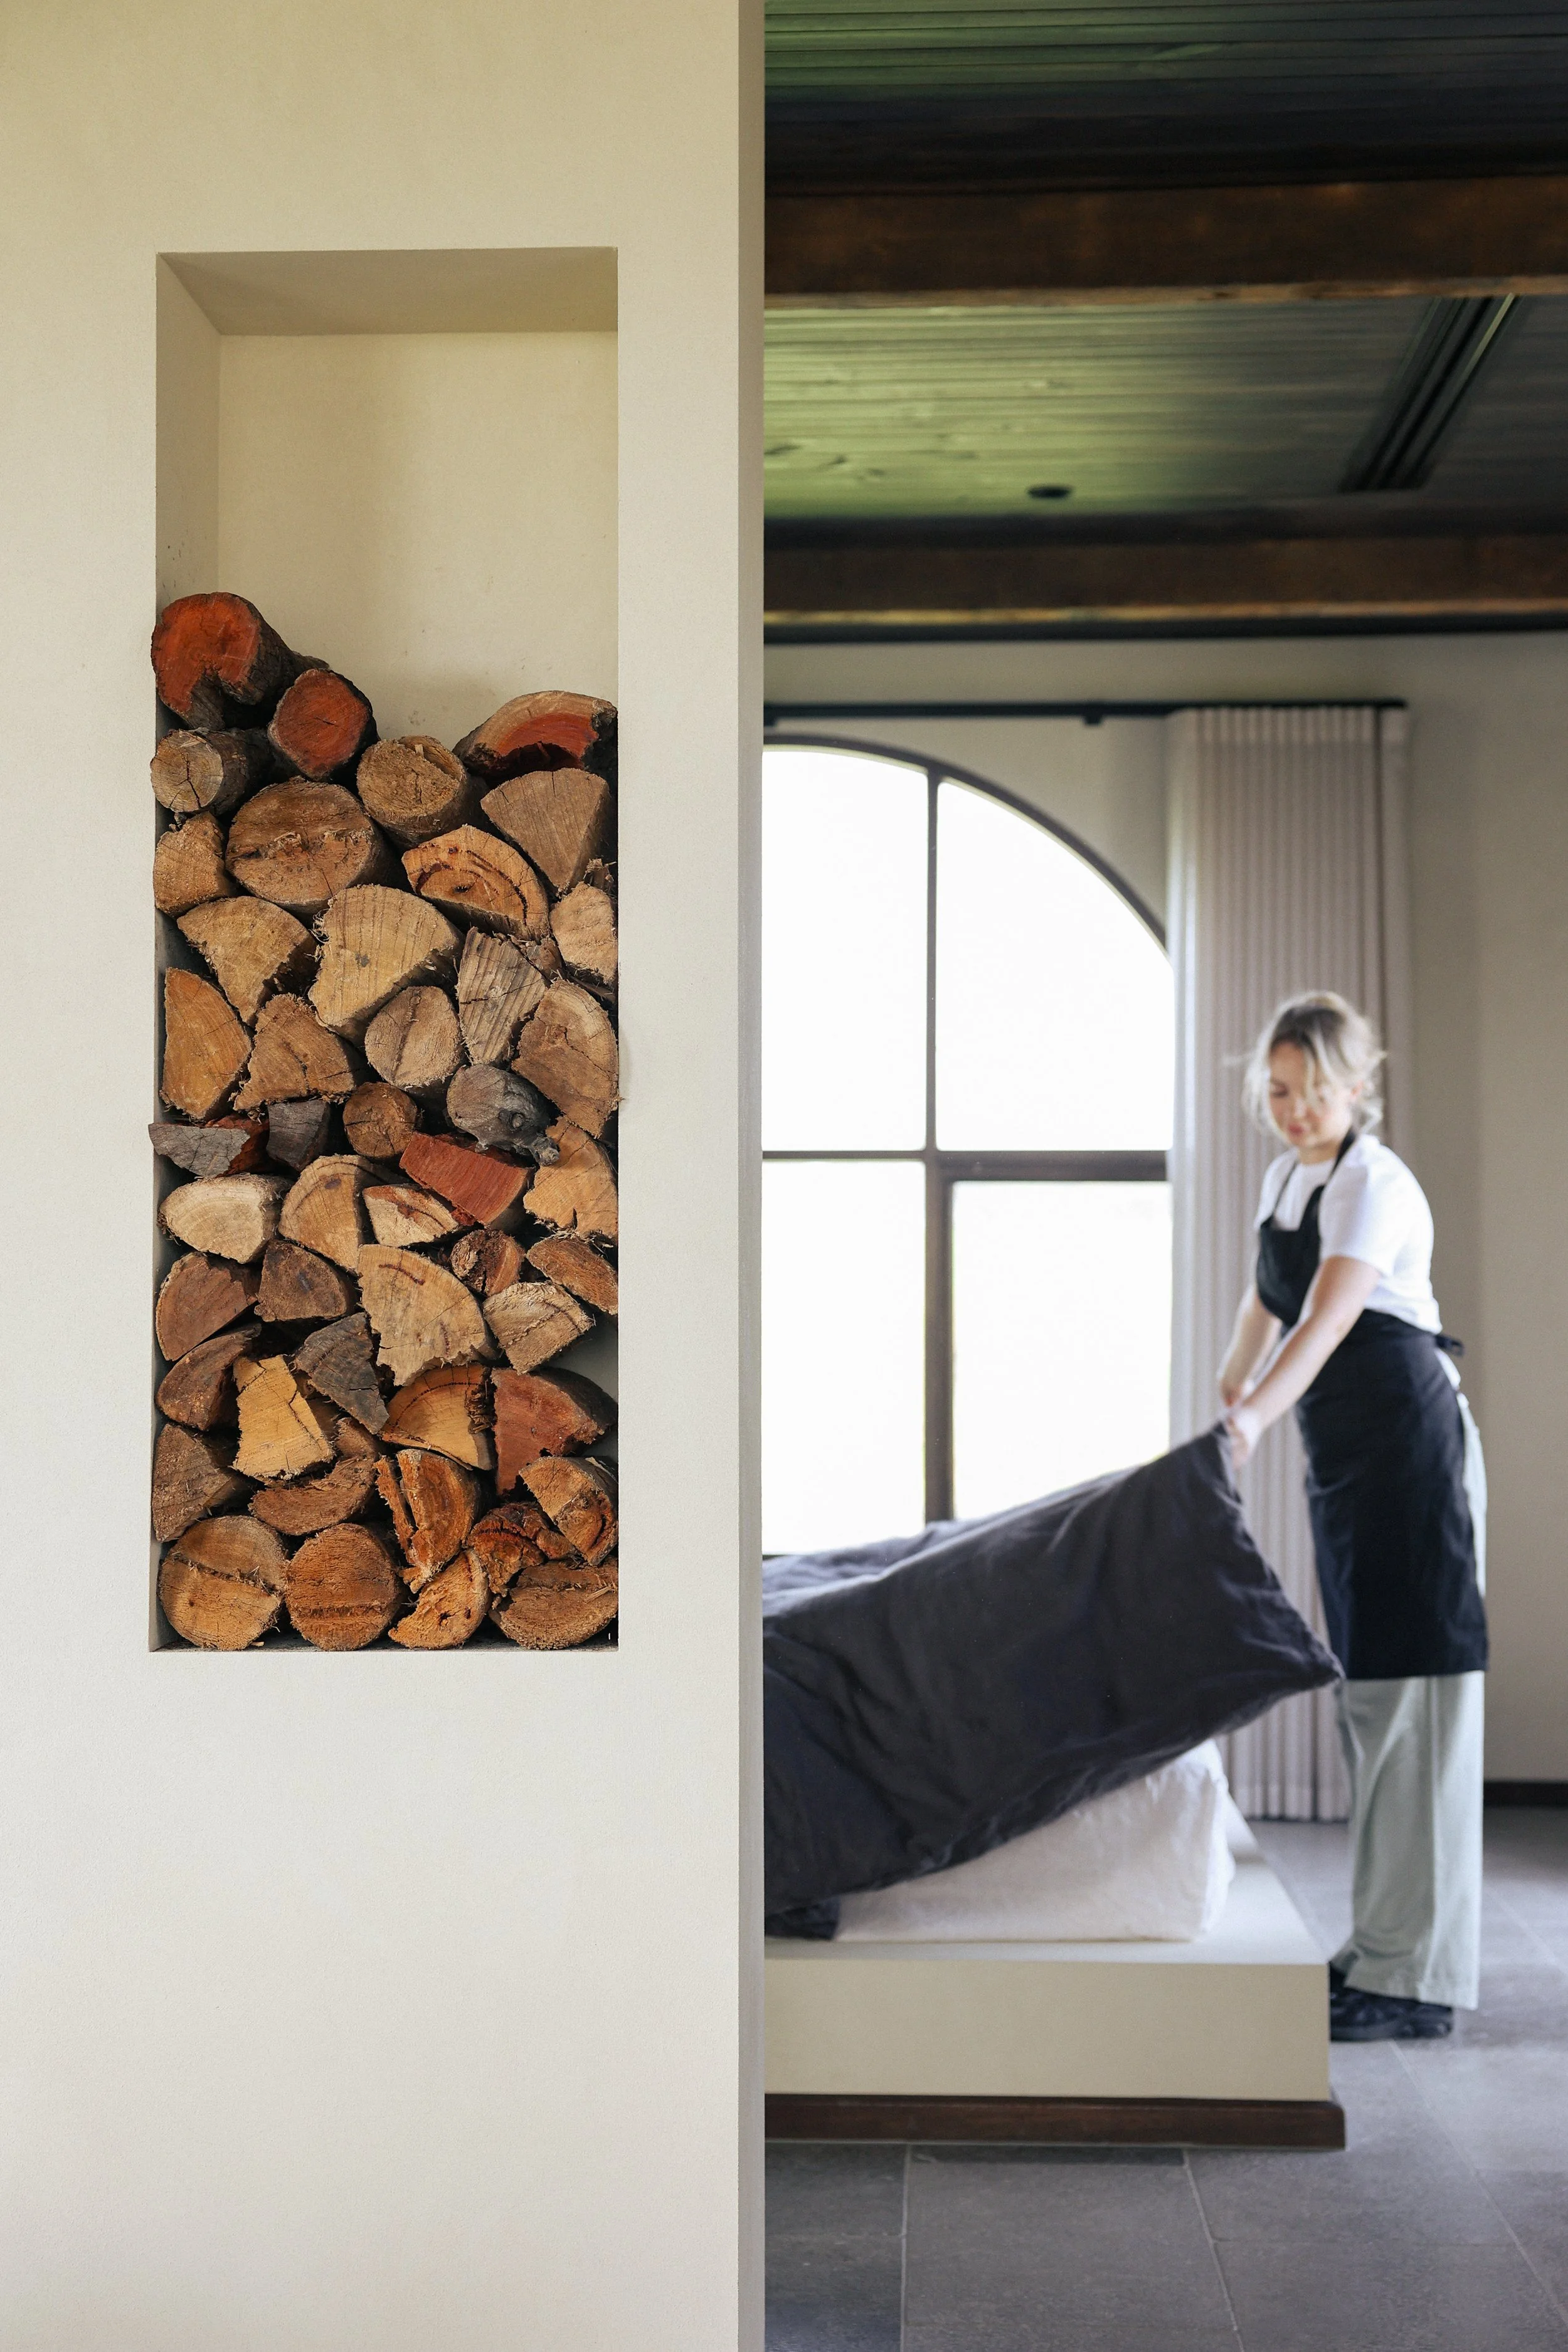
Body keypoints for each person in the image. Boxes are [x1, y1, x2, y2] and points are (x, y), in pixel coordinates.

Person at [1219, 992, 1488, 2043]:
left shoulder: (1375, 1181)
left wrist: (1247, 1426)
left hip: (1412, 1463)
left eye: (1315, 1090)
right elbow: (1266, 1304)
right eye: (1280, 1091)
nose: (1294, 1109)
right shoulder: (1294, 1177)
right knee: (1373, 1706)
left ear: (1359, 1087)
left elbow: (1328, 1318)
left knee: (1418, 1708)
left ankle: (1416, 1978)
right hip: (1349, 1468)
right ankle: (1378, 1945)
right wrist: (1226, 1388)